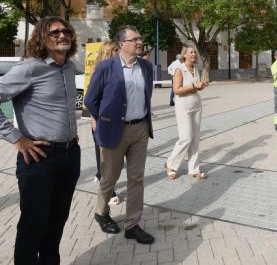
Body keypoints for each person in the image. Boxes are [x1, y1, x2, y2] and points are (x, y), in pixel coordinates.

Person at [0, 16, 80, 264]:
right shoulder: (30, 68)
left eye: (65, 31)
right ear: (42, 38)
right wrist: (17, 139)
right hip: (39, 157)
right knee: (34, 225)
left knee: (57, 221)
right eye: (54, 33)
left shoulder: (68, 67)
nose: (62, 35)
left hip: (70, 154)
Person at [85, 25, 155, 245]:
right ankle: (101, 212)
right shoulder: (106, 67)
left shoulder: (146, 66)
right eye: (134, 39)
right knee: (110, 177)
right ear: (122, 43)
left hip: (140, 129)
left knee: (136, 178)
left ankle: (133, 224)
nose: (139, 42)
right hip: (114, 130)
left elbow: (147, 94)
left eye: (140, 38)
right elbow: (90, 100)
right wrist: (103, 119)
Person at [165, 45, 209, 179]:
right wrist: (194, 86)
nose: (194, 54)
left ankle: (194, 170)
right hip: (183, 107)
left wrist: (201, 86)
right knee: (186, 138)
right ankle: (171, 164)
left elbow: (194, 88)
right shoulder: (180, 69)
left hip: (196, 106)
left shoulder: (195, 69)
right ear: (184, 55)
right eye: (191, 52)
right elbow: (177, 90)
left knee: (195, 140)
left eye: (195, 52)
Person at [90, 41, 121, 206]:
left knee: (110, 157)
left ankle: (99, 174)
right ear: (109, 53)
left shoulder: (119, 70)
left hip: (116, 121)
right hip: (102, 121)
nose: (119, 52)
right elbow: (91, 99)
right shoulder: (100, 70)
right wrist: (95, 118)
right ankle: (110, 192)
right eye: (116, 50)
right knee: (106, 158)